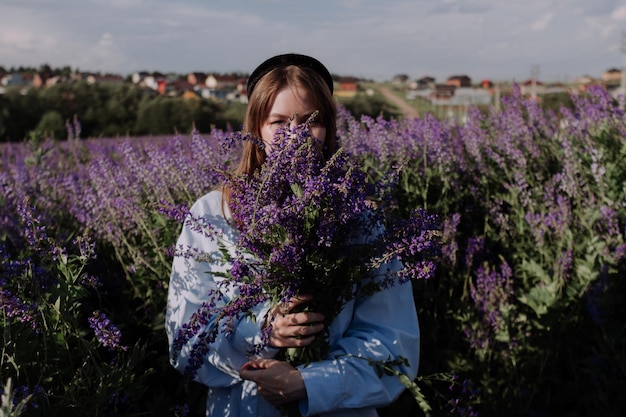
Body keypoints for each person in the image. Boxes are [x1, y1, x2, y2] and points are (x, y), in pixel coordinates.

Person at [166, 53, 420, 417]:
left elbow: (395, 346)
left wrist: (306, 383)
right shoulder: (212, 213)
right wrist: (262, 332)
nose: (296, 135)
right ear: (257, 129)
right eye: (279, 121)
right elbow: (185, 341)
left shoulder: (361, 219)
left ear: (330, 128)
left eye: (309, 122)